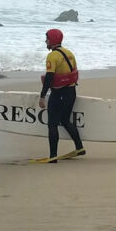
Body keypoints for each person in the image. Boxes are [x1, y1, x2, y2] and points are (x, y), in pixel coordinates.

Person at [39, 28, 85, 163]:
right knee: (65, 120)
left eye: (47, 38)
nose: (45, 41)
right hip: (71, 93)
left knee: (52, 124)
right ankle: (79, 147)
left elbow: (49, 77)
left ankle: (53, 156)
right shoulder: (69, 53)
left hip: (59, 94)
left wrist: (42, 96)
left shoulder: (52, 56)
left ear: (52, 40)